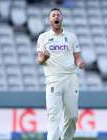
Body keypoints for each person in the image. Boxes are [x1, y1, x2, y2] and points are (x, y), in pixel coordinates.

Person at [36, 8, 85, 140]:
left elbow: (78, 57)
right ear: (50, 19)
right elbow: (39, 60)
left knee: (72, 116)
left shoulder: (71, 37)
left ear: (61, 18)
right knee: (53, 116)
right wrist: (45, 58)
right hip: (53, 80)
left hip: (70, 78)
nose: (56, 17)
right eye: (53, 15)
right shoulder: (43, 37)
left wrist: (80, 63)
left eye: (58, 15)